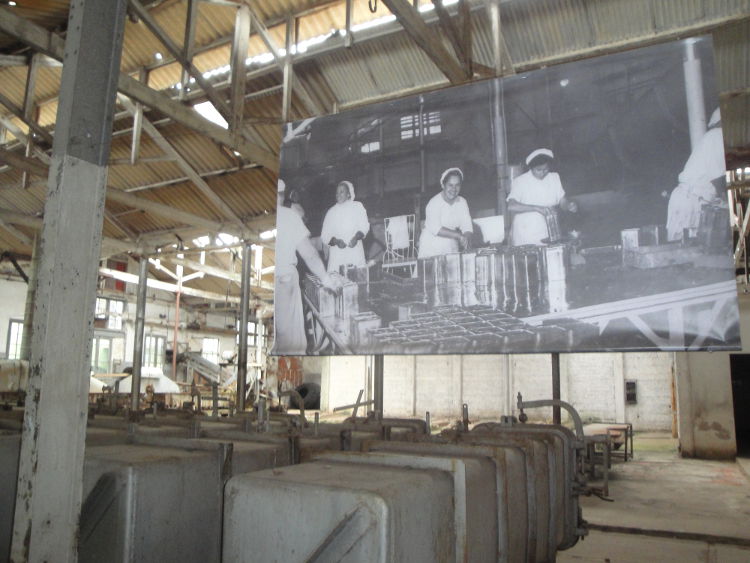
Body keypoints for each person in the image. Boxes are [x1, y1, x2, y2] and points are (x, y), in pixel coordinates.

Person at [272, 180, 340, 356]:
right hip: (283, 281)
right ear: (282, 195)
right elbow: (309, 254)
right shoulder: (288, 216)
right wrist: (326, 280)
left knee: (274, 336)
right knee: (292, 342)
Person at [666, 108, 726, 241]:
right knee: (685, 253)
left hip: (697, 201)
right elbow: (719, 180)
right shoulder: (716, 135)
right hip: (690, 201)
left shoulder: (719, 139)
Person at [507, 148, 577, 246]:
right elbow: (511, 206)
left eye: (546, 169)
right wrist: (536, 208)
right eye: (538, 170)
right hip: (526, 233)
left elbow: (562, 201)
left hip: (549, 230)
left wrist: (568, 205)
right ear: (531, 168)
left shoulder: (554, 177)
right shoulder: (520, 181)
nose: (542, 173)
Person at [418, 167, 474, 258]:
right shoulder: (434, 203)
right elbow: (436, 228)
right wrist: (459, 236)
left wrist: (467, 239)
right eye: (450, 185)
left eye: (457, 185)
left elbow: (467, 226)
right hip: (431, 249)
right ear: (443, 185)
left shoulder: (462, 202)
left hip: (451, 247)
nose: (454, 189)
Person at [320, 181, 370, 273]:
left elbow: (365, 226)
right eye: (337, 192)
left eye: (342, 192)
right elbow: (324, 236)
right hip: (337, 255)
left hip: (355, 252)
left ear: (348, 194)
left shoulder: (357, 206)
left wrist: (355, 238)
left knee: (357, 280)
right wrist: (336, 241)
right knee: (338, 282)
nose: (338, 195)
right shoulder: (331, 212)